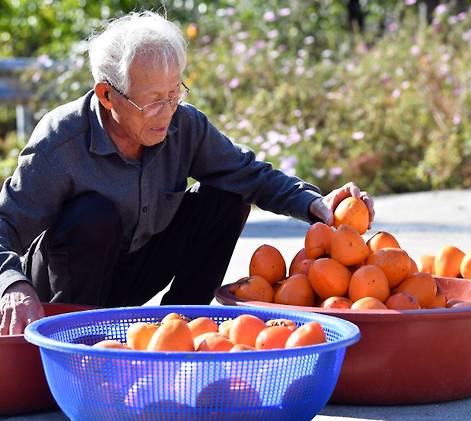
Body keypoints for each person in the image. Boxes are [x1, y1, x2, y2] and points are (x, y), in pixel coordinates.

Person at [0, 12, 374, 335]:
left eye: (174, 93)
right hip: (65, 286)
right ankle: (75, 336)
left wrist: (315, 203)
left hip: (135, 270)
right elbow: (4, 226)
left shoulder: (184, 125)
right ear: (107, 95)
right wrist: (12, 285)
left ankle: (183, 327)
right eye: (151, 101)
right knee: (93, 214)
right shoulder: (61, 142)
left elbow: (251, 175)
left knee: (229, 194)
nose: (166, 112)